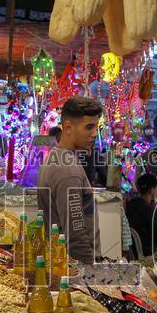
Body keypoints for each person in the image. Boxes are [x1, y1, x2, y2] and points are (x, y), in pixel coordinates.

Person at [37, 96, 103, 264]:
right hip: (74, 268)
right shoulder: (67, 170)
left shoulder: (57, 157)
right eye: (89, 127)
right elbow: (75, 234)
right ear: (67, 127)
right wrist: (87, 274)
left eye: (96, 127)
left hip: (63, 264)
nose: (95, 134)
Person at [125, 173, 157, 258]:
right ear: (151, 190)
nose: (156, 191)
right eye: (155, 188)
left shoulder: (130, 205)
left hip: (132, 252)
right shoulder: (147, 210)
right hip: (147, 254)